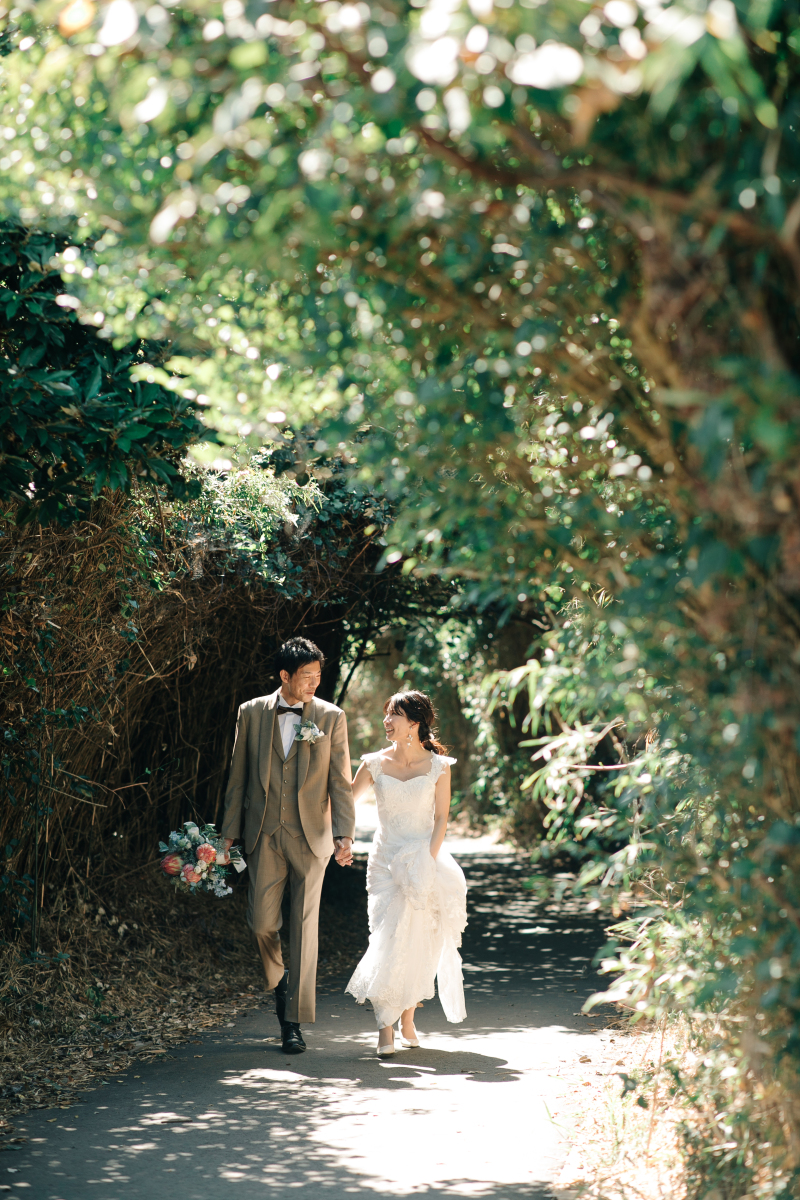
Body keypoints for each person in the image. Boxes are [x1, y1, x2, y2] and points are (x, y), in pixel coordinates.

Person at [221, 637, 355, 1054]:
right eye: (307, 676)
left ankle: (292, 1021)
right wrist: (228, 836)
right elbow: (238, 776)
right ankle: (280, 988)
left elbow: (340, 781)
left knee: (304, 929)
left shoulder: (331, 718)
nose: (315, 682)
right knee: (262, 923)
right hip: (264, 834)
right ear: (285, 676)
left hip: (311, 837)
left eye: (319, 675)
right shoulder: (251, 713)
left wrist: (344, 835)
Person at [345, 690, 467, 1055]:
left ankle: (408, 1017)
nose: (386, 721)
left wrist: (426, 861)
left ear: (414, 722)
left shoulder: (439, 767)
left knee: (419, 941)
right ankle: (385, 1027)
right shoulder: (373, 763)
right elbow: (346, 802)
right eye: (386, 714)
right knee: (386, 937)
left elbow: (442, 817)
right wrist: (342, 839)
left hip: (424, 860)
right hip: (384, 863)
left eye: (393, 715)